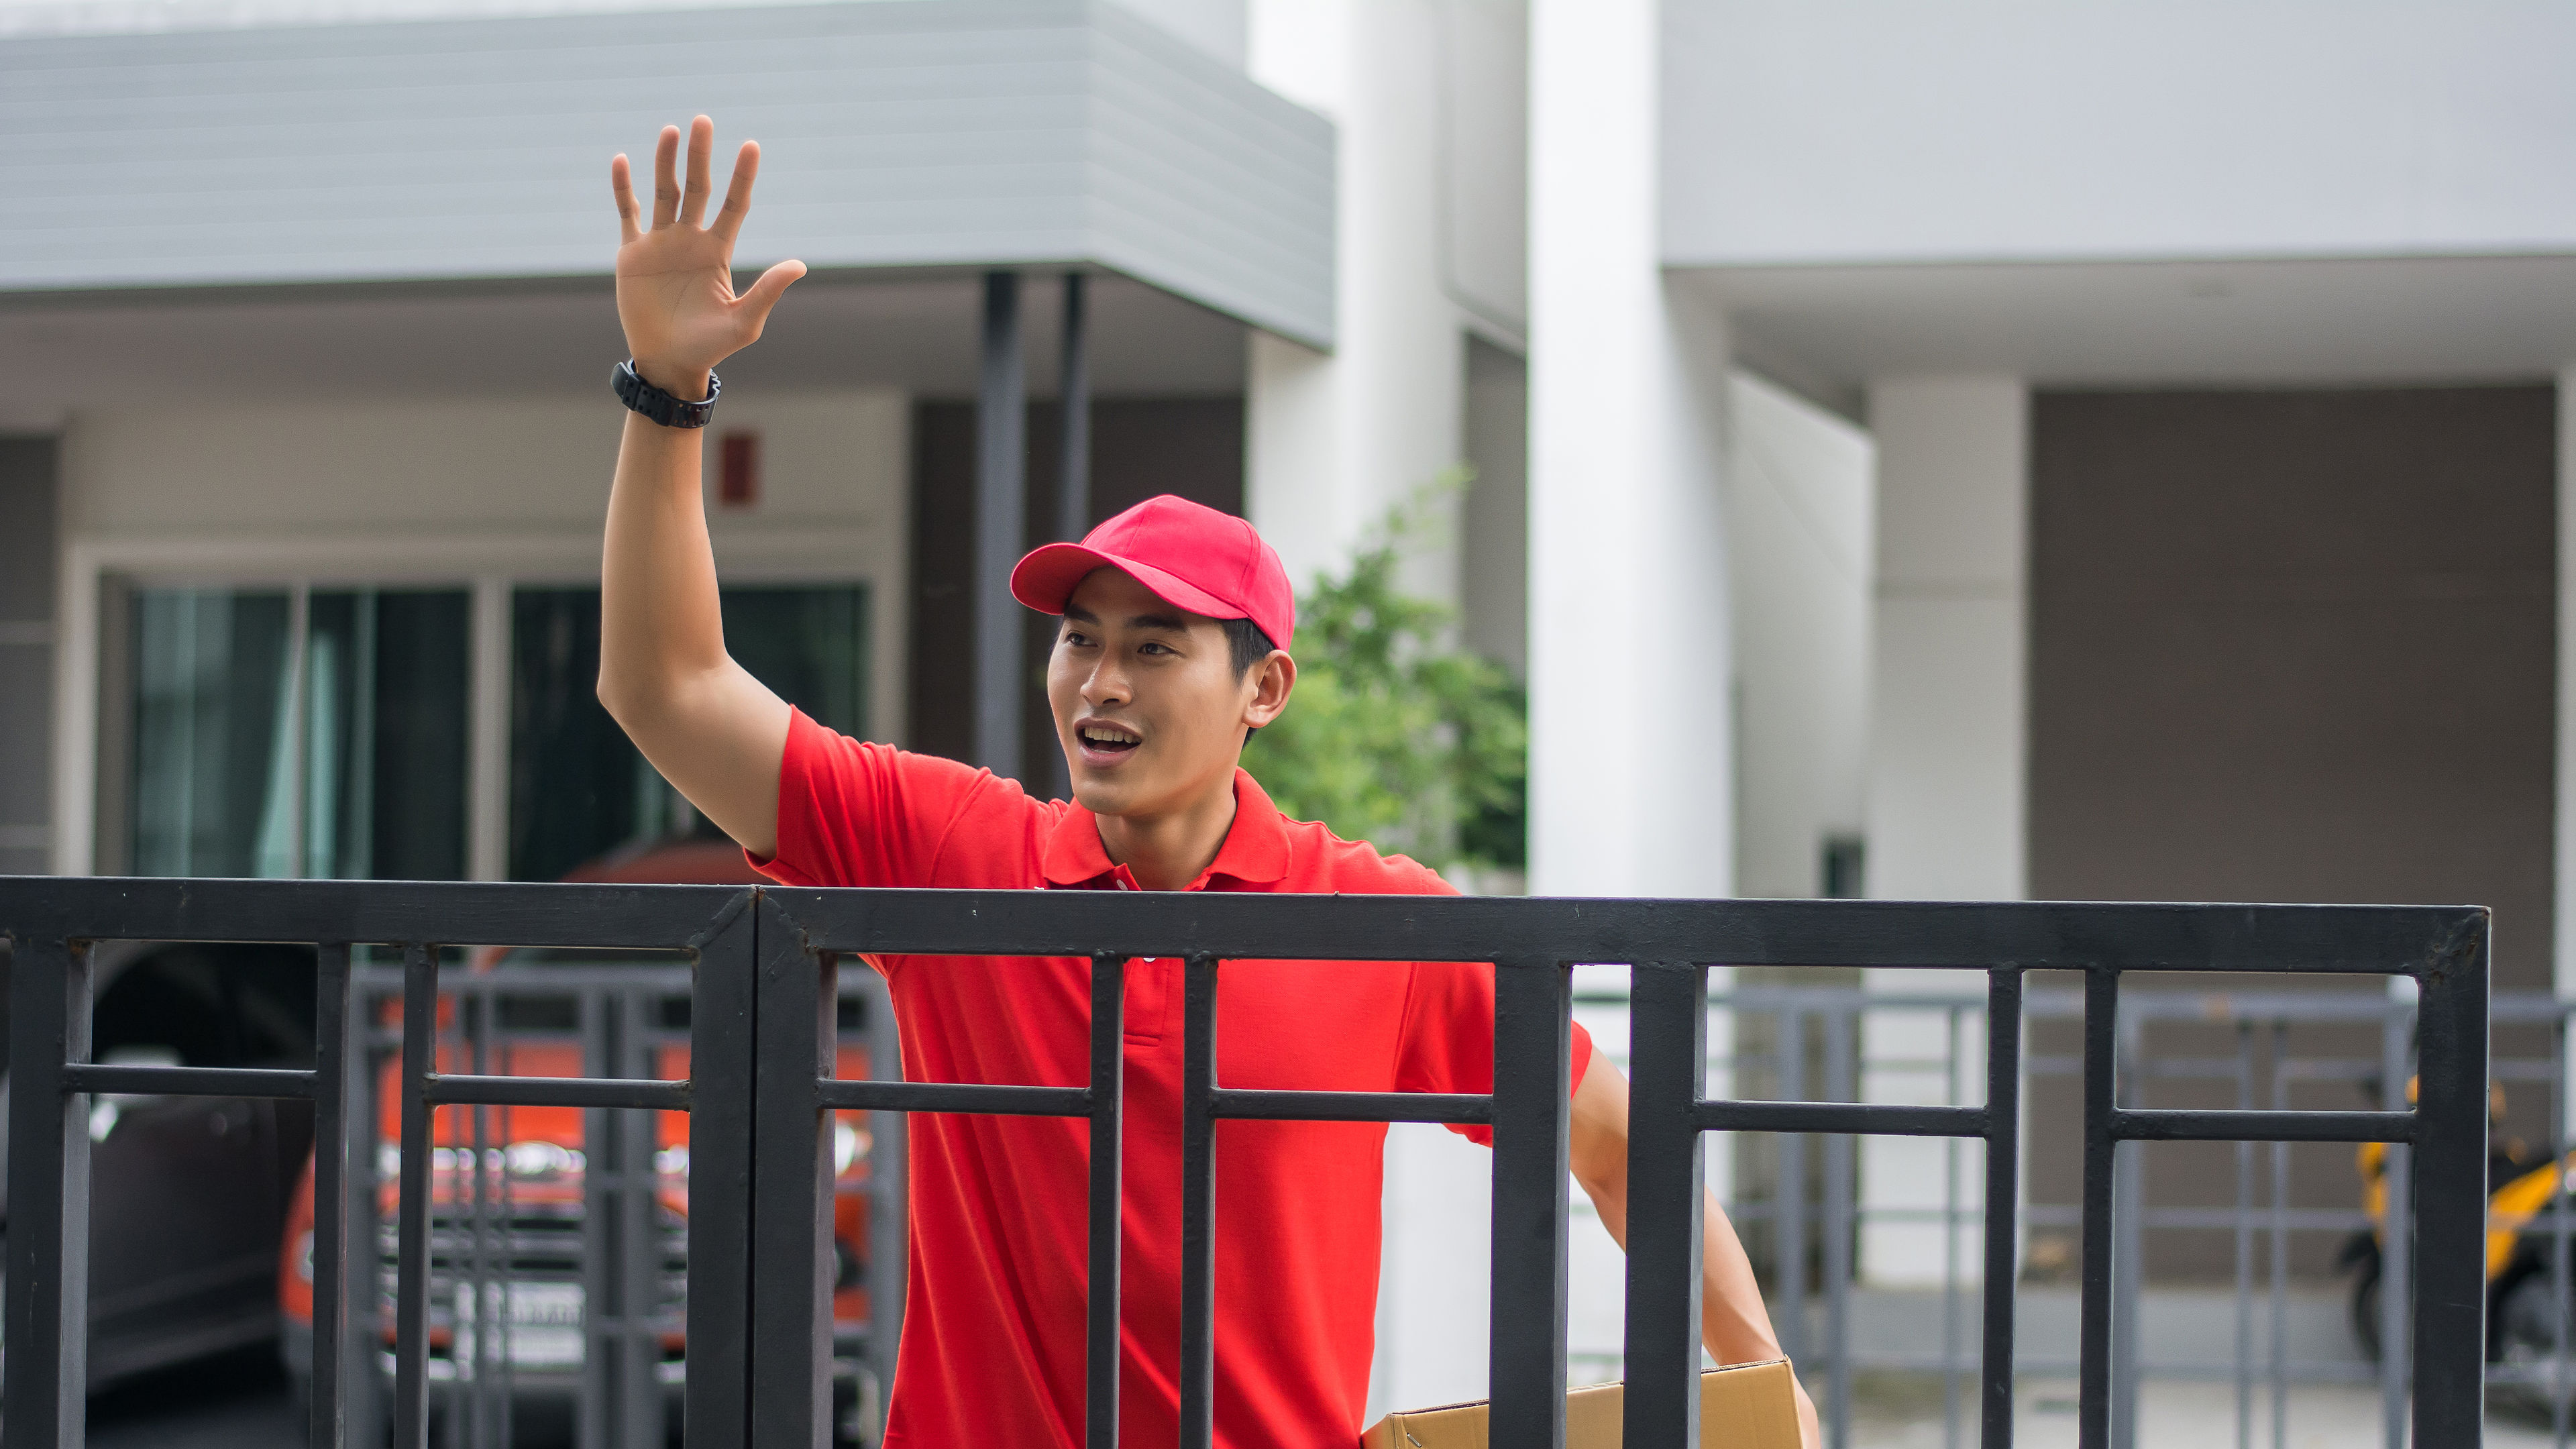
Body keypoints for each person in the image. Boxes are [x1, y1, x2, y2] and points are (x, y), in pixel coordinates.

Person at [596, 115, 1821, 1449]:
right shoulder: (958, 853)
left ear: (1264, 692)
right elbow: (669, 689)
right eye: (1081, 641)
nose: (1100, 683)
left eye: (1155, 647)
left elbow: (1617, 1139)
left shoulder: (1370, 918)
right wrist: (667, 398)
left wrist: (1768, 1393)